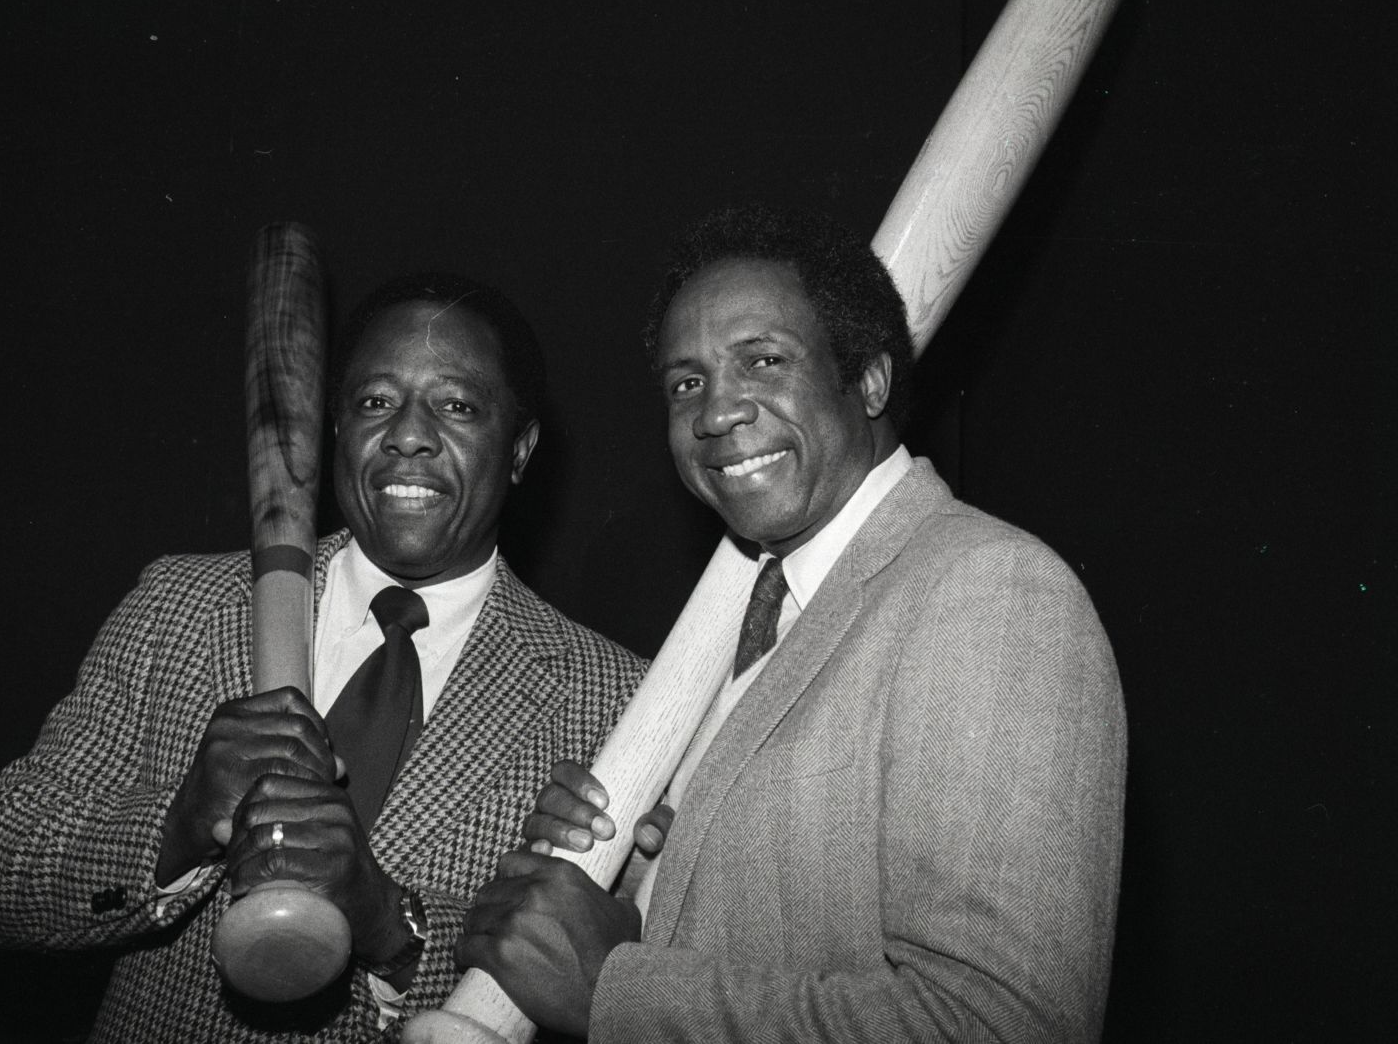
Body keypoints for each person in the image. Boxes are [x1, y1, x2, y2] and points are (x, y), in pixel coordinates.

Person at [458, 206, 1128, 1042]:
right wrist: (626, 877)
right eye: (686, 383)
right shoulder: (746, 618)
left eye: (764, 360)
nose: (716, 412)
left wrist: (617, 992)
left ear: (872, 382)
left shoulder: (990, 590)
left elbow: (1002, 1026)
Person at [0, 272, 647, 1041]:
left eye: (456, 406)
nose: (407, 434)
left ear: (518, 450)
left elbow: (612, 992)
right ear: (334, 433)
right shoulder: (181, 605)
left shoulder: (619, 701)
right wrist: (177, 827)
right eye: (375, 402)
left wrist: (390, 925)